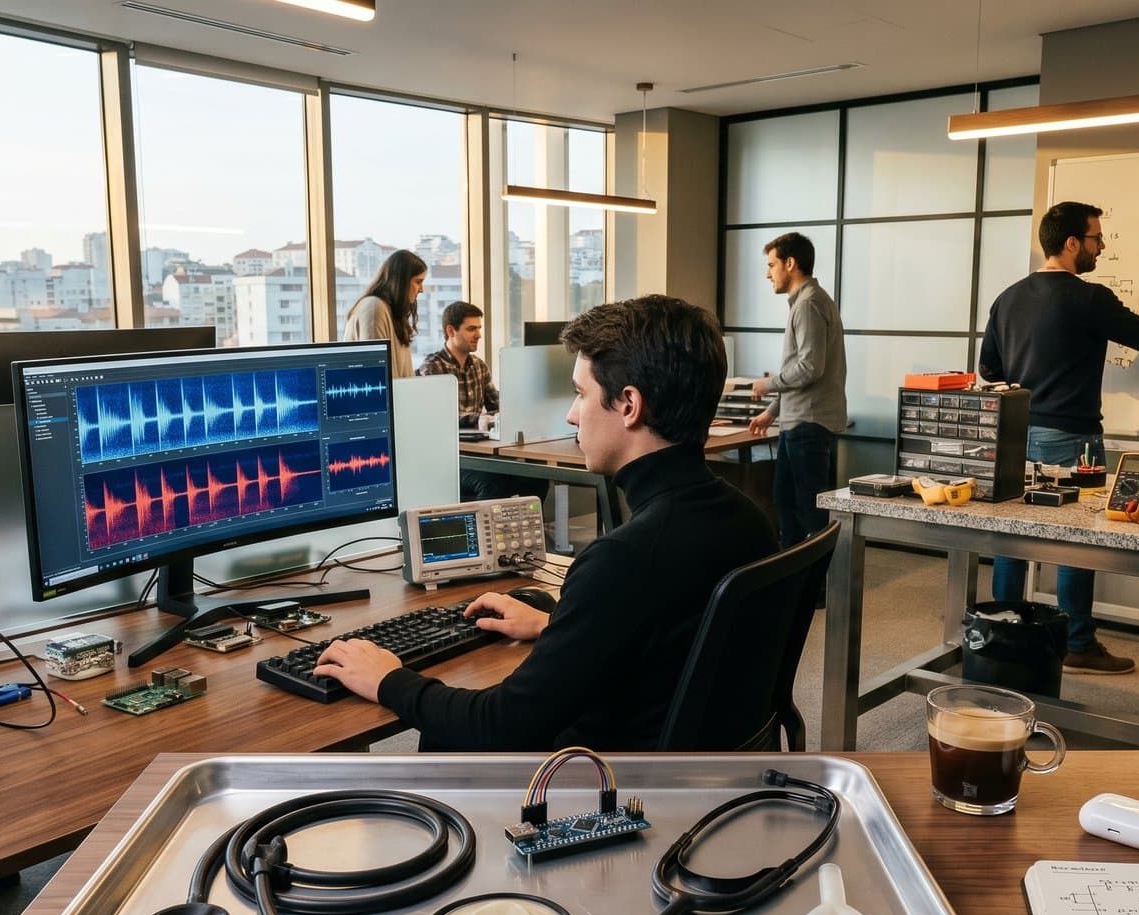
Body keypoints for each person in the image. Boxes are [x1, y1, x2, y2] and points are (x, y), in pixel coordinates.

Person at [313, 295, 778, 750]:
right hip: (709, 781)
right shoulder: (751, 522)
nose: (571, 414)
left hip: (602, 793)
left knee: (443, 733)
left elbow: (500, 726)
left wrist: (389, 679)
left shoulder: (623, 560)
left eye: (581, 394)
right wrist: (557, 624)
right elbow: (670, 633)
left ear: (630, 405)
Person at [979, 200, 1139, 675]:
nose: (1101, 246)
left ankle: (1006, 636)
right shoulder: (1089, 298)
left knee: (1010, 538)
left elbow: (989, 370)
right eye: (1096, 238)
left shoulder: (1007, 298)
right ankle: (1077, 645)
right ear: (1071, 243)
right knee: (1077, 541)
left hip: (1016, 438)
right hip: (1072, 437)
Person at [746, 232, 848, 548]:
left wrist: (768, 384)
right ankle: (795, 580)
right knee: (788, 504)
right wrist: (771, 412)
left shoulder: (808, 305)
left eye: (771, 264)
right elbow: (805, 368)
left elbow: (809, 367)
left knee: (808, 512)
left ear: (790, 264)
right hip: (802, 421)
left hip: (808, 424)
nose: (767, 273)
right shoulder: (809, 302)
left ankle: (812, 587)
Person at [420, 301, 543, 503]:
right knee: (492, 483)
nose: (478, 334)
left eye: (479, 328)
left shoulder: (479, 366)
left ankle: (520, 532)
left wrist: (522, 406)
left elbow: (496, 405)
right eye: (471, 329)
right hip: (448, 459)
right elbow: (436, 417)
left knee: (537, 477)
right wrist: (476, 418)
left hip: (481, 455)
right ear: (450, 330)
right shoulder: (431, 368)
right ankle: (484, 534)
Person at [342, 249, 427, 381]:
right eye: (418, 281)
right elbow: (376, 376)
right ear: (401, 281)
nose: (421, 289)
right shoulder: (375, 308)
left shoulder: (392, 312)